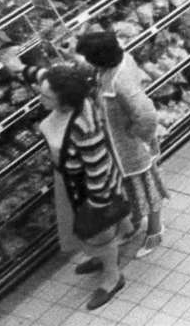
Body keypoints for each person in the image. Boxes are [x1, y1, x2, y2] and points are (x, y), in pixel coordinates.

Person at [29, 63, 131, 309]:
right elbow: (44, 75)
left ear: (65, 101)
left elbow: (97, 169)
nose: (39, 98)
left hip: (89, 190)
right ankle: (103, 256)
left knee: (98, 233)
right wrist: (21, 68)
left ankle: (112, 276)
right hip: (69, 182)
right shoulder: (65, 90)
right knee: (92, 233)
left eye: (45, 96)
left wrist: (96, 207)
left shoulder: (83, 125)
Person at [75, 31, 164, 258]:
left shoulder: (120, 82)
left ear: (100, 58)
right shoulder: (115, 63)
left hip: (132, 149)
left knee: (147, 188)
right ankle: (135, 223)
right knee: (133, 190)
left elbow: (146, 115)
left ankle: (155, 230)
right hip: (120, 147)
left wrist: (134, 135)